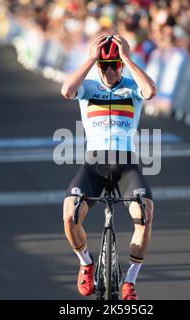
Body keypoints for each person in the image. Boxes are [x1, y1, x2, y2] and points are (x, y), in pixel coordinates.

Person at [60, 34, 156, 300]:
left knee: (145, 214)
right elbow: (67, 91)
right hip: (95, 164)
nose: (111, 70)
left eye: (115, 65)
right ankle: (86, 263)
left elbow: (150, 91)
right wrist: (92, 58)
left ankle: (130, 282)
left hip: (126, 165)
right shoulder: (89, 88)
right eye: (105, 66)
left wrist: (127, 57)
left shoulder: (131, 86)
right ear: (98, 66)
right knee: (70, 215)